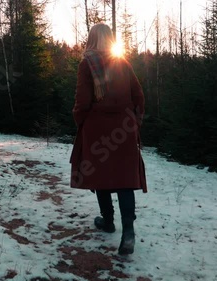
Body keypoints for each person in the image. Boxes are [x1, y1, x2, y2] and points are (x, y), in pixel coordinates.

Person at [69, 23, 147, 255]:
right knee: (125, 179)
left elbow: (81, 103)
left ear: (92, 39)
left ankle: (108, 221)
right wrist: (135, 121)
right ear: (110, 39)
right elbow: (139, 96)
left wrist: (80, 121)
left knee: (101, 176)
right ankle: (128, 232)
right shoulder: (122, 62)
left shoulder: (87, 65)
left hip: (97, 129)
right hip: (124, 129)